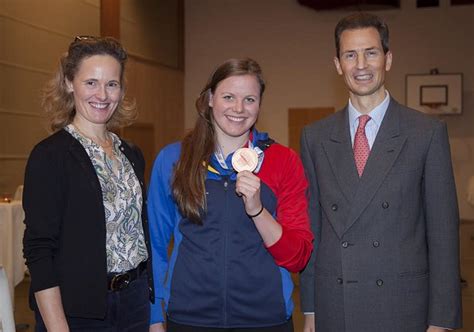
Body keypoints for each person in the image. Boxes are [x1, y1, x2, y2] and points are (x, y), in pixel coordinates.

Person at [299, 12, 462, 332]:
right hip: (336, 306)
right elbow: (312, 230)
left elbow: (443, 234)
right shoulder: (315, 137)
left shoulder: (425, 133)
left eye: (371, 52)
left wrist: (441, 321)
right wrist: (311, 310)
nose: (361, 65)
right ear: (337, 65)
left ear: (387, 59)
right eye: (350, 54)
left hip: (402, 306)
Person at [148, 58, 313, 332]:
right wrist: (154, 317)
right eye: (228, 97)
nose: (239, 108)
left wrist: (258, 210)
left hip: (265, 319)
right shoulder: (172, 159)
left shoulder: (283, 161)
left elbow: (298, 257)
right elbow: (154, 246)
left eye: (249, 99)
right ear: (211, 98)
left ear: (259, 104)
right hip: (190, 318)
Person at [23, 36, 154, 331]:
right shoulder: (50, 155)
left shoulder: (131, 153)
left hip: (135, 302)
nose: (103, 94)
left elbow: (138, 235)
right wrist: (58, 327)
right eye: (91, 82)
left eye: (112, 84)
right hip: (78, 311)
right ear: (70, 83)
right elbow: (39, 250)